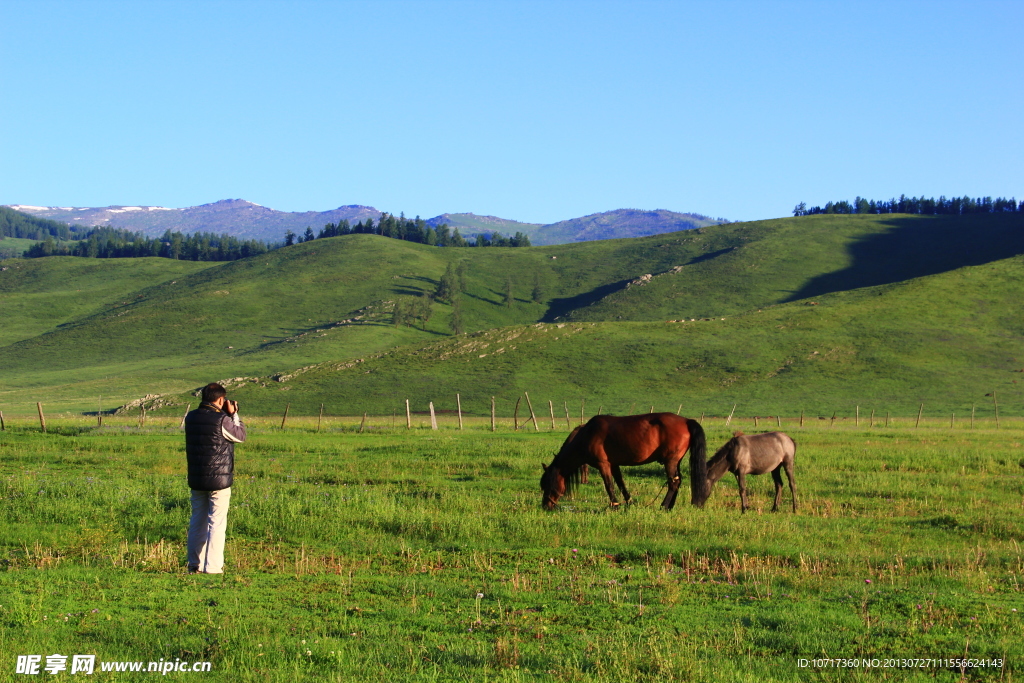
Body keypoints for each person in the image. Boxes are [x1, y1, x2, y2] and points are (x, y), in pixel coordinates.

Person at [183, 382, 246, 574]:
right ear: (220, 399)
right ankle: (213, 567)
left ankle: (194, 564)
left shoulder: (191, 417)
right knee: (216, 523)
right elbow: (240, 436)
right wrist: (233, 415)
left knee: (197, 521)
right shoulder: (221, 419)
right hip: (219, 480)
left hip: (197, 477)